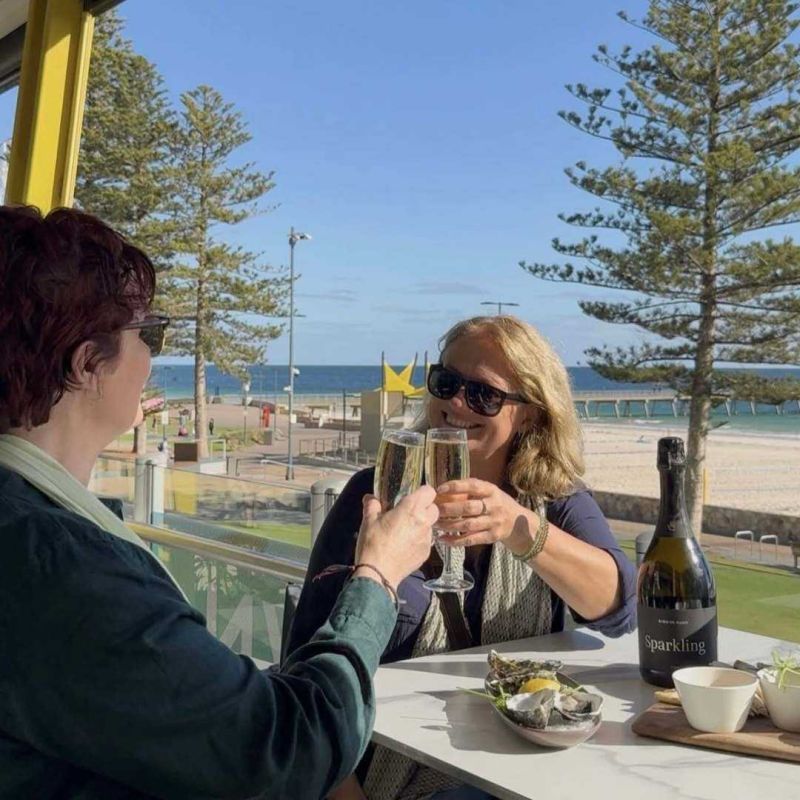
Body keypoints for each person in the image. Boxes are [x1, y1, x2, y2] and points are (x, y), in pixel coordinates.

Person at [0, 205, 439, 800]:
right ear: (86, 365)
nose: (156, 359)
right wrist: (379, 575)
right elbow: (287, 753)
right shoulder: (56, 564)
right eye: (148, 334)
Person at [286, 315, 637, 800]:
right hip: (384, 776)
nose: (454, 402)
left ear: (530, 413)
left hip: (517, 765)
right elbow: (302, 681)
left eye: (484, 395)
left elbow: (619, 608)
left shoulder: (551, 500)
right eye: (446, 382)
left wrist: (522, 530)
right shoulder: (376, 497)